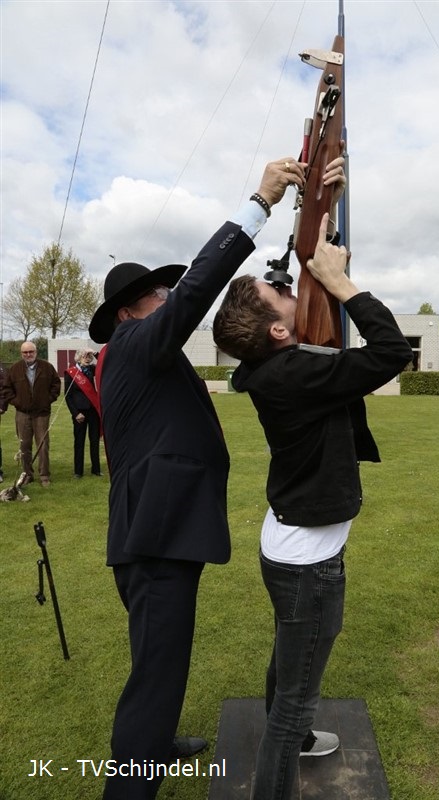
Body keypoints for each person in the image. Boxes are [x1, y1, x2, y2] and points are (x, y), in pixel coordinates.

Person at [88, 156, 310, 800]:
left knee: (158, 663)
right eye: (159, 295)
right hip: (154, 539)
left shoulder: (137, 357)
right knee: (155, 676)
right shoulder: (134, 343)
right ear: (135, 310)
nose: (168, 301)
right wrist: (259, 204)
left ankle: (154, 746)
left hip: (155, 531)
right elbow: (196, 293)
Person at [213, 212, 414, 800]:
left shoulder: (278, 367)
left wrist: (317, 229)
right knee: (295, 699)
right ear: (277, 332)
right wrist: (343, 284)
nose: (288, 283)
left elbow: (338, 352)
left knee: (287, 661)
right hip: (308, 563)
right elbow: (392, 351)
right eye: (281, 289)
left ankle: (296, 743)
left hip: (293, 548)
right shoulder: (294, 373)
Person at [1, 342, 61, 486]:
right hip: (22, 413)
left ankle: (44, 475)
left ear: (36, 352)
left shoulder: (47, 367)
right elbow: (6, 389)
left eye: (31, 351)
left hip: (42, 413)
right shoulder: (15, 369)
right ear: (21, 354)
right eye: (25, 352)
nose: (28, 354)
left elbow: (56, 385)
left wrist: (47, 400)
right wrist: (17, 402)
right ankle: (27, 474)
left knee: (43, 445)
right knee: (24, 446)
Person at [64, 348, 102, 478]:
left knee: (94, 441)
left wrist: (95, 353)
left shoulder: (92, 369)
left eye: (89, 356)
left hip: (93, 411)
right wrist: (75, 413)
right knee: (79, 442)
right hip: (79, 413)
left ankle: (96, 469)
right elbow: (68, 396)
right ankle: (78, 471)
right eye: (85, 355)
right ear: (78, 357)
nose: (88, 358)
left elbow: (104, 363)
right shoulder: (71, 373)